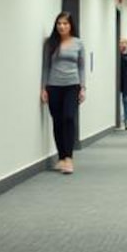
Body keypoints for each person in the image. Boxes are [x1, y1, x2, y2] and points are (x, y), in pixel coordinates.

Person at [41, 12, 85, 175]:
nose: (62, 26)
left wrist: (83, 87)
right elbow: (45, 67)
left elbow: (81, 67)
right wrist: (43, 88)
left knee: (68, 118)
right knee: (57, 121)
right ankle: (61, 157)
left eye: (65, 23)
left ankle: (69, 158)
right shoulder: (50, 43)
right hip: (53, 86)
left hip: (72, 85)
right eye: (59, 23)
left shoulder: (78, 43)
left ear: (71, 25)